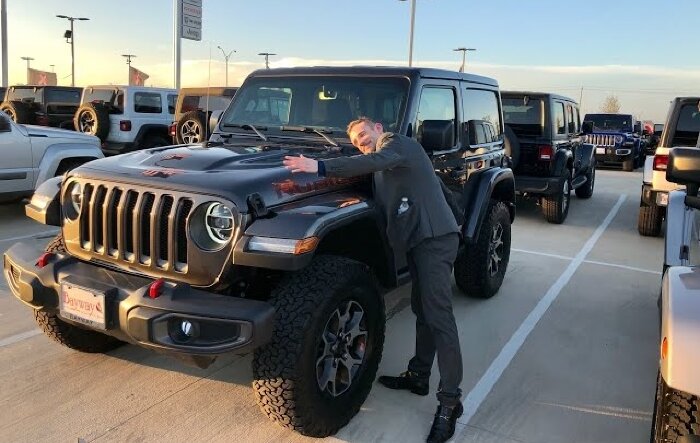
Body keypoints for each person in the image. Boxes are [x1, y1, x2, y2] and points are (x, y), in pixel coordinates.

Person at [283, 117, 463, 443]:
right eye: (355, 141)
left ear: (378, 128)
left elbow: (373, 161)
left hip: (435, 240)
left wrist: (318, 166)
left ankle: (450, 403)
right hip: (418, 240)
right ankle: (419, 375)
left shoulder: (396, 143)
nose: (361, 143)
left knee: (439, 318)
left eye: (363, 134)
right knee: (423, 311)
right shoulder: (385, 160)